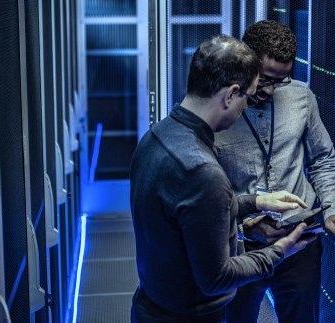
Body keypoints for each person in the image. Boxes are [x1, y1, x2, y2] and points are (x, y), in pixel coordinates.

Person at [129, 35, 317, 323]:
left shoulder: (156, 137)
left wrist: (256, 202)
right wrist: (280, 251)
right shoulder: (203, 170)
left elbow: (187, 212)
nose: (247, 107)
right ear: (230, 95)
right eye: (247, 96)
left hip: (151, 306)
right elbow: (217, 278)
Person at [215, 21, 335, 323]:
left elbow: (322, 159)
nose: (271, 89)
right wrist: (243, 226)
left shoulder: (301, 98)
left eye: (282, 79)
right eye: (265, 79)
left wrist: (332, 209)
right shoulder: (217, 108)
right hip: (240, 248)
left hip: (299, 240)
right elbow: (205, 189)